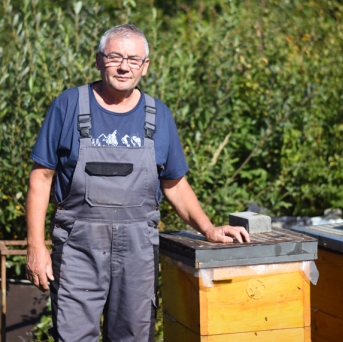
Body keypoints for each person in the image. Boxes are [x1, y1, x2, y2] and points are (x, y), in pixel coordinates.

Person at [25, 24, 250, 342]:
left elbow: (174, 184)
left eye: (133, 59)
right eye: (114, 56)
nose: (123, 66)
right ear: (99, 60)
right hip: (78, 250)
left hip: (138, 254)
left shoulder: (158, 115)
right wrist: (36, 247)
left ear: (145, 67)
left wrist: (208, 229)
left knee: (132, 336)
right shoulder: (68, 106)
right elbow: (41, 179)